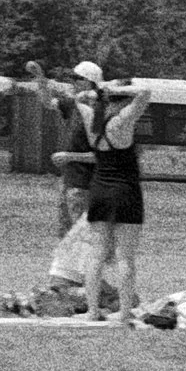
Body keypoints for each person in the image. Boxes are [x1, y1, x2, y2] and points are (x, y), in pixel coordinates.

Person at [78, 75, 150, 324]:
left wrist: (96, 94)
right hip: (125, 192)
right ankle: (125, 311)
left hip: (99, 189)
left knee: (96, 255)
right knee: (125, 256)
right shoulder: (122, 121)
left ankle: (92, 310)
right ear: (124, 98)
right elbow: (146, 93)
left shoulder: (92, 119)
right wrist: (119, 89)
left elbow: (78, 98)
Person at [24, 60, 99, 233]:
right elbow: (47, 102)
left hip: (87, 182)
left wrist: (69, 156)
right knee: (65, 231)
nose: (73, 82)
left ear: (91, 83)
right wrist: (40, 77)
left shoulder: (99, 112)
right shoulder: (73, 106)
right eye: (72, 77)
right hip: (70, 179)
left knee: (82, 233)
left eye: (77, 78)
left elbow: (102, 155)